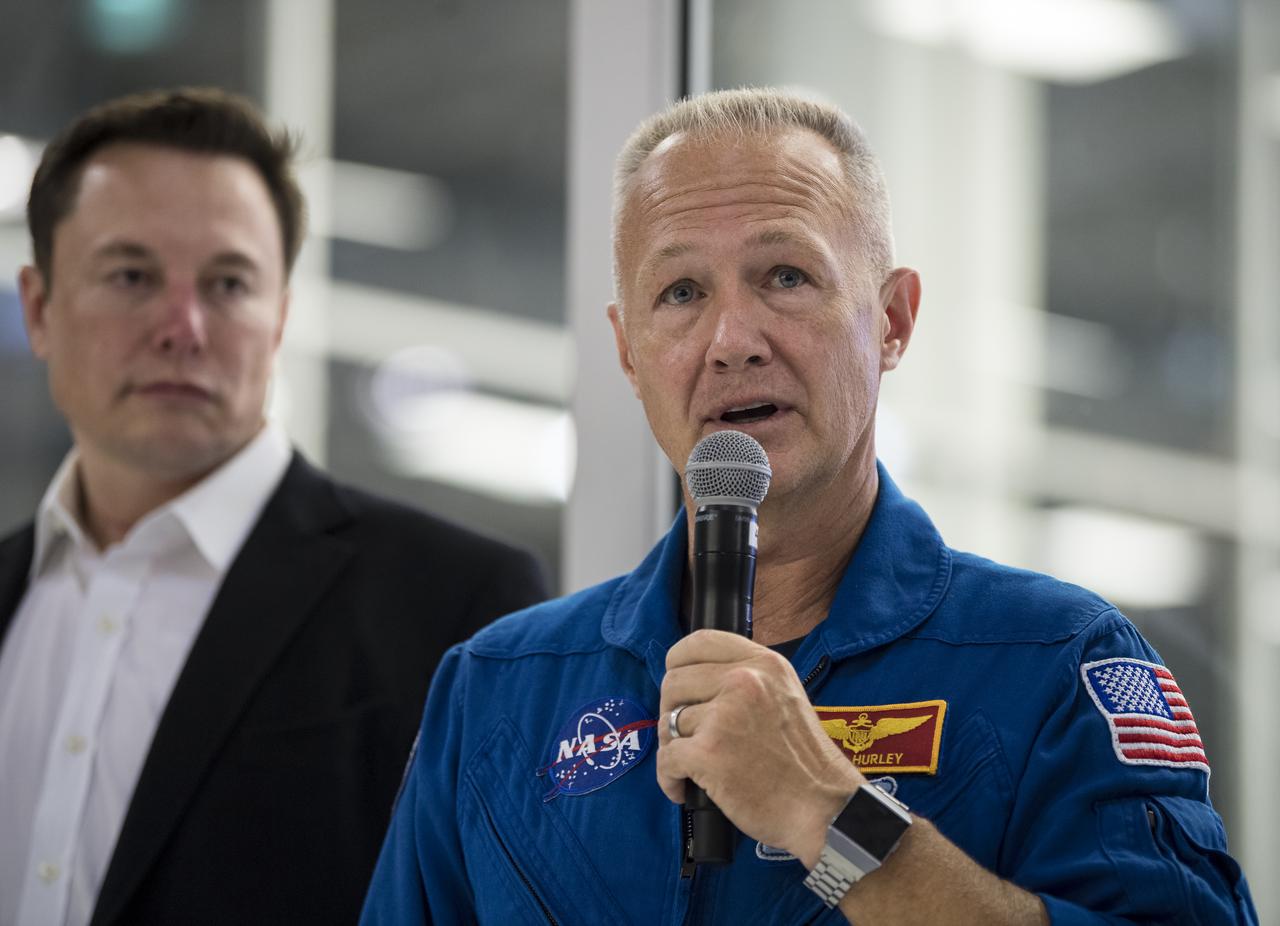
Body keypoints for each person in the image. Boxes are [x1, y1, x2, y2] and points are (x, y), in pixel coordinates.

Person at [360, 88, 1257, 925]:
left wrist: (830, 815)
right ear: (628, 353)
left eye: (786, 276)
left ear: (893, 320)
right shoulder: (496, 694)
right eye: (681, 293)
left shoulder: (1053, 668)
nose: (732, 341)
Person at [0, 87, 548, 926]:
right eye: (131, 275)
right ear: (38, 308)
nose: (182, 326)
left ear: (280, 317)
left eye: (227, 283)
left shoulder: (457, 610)